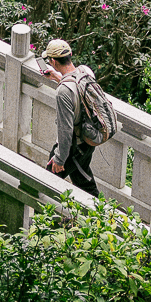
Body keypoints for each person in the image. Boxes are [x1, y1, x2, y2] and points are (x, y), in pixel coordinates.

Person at [42, 38, 98, 196]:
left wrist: (59, 159)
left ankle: (39, 220)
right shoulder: (85, 72)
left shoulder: (63, 92)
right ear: (70, 55)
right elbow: (79, 94)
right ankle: (99, 217)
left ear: (53, 61)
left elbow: (65, 130)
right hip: (89, 139)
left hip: (74, 146)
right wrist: (56, 77)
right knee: (83, 180)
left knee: (46, 181)